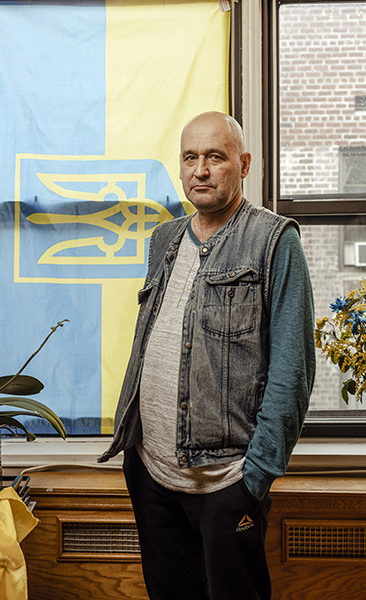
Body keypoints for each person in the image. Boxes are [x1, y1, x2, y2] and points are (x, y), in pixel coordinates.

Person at [99, 111, 315, 600]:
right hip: (151, 471)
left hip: (226, 479)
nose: (201, 170)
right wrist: (134, 453)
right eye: (190, 157)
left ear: (243, 164)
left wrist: (254, 476)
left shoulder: (275, 241)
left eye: (215, 157)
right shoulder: (164, 240)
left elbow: (293, 368)